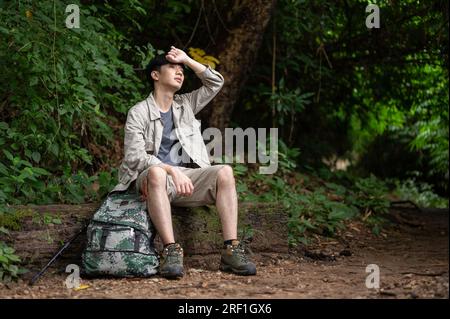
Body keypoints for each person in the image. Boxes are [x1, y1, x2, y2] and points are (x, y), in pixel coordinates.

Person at [111, 46, 256, 278]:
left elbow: (215, 83)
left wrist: (187, 59)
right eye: (172, 67)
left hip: (187, 181)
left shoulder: (185, 104)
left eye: (182, 69)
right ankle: (171, 250)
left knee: (225, 172)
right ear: (155, 75)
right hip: (154, 180)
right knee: (157, 173)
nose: (179, 72)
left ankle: (231, 249)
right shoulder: (138, 112)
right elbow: (134, 157)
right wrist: (169, 169)